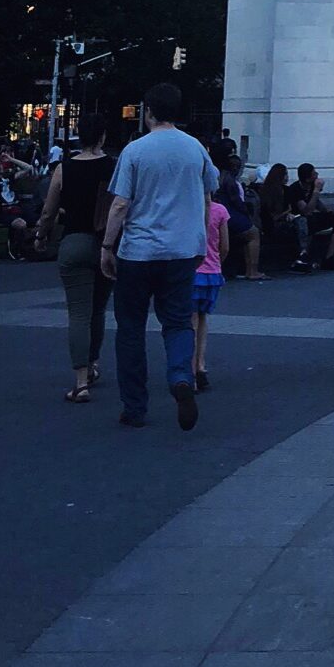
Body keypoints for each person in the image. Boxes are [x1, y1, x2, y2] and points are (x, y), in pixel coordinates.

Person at [100, 83, 217, 432]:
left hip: (138, 252)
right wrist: (200, 242)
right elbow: (207, 197)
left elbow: (120, 204)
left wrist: (107, 246)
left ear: (148, 111)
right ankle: (181, 377)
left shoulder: (135, 150)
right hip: (181, 251)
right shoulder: (195, 149)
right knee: (178, 322)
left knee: (130, 327)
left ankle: (134, 406)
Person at [36, 113, 117, 404]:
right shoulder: (113, 168)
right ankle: (93, 363)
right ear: (103, 136)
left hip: (73, 242)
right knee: (98, 309)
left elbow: (49, 211)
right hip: (105, 243)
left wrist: (41, 236)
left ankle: (81, 381)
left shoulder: (64, 169)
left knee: (78, 313)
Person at [192, 192, 229, 391]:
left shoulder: (187, 208)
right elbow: (225, 247)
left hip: (191, 272)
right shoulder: (220, 211)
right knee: (202, 318)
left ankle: (190, 370)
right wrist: (217, 262)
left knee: (189, 322)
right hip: (212, 272)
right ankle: (201, 364)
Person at [289, 163, 334, 270]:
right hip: (299, 219)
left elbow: (317, 204)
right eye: (314, 174)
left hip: (311, 217)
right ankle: (304, 256)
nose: (317, 175)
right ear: (307, 179)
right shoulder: (295, 189)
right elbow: (307, 211)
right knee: (309, 222)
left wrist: (327, 211)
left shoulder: (311, 186)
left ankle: (329, 257)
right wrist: (316, 190)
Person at [216, 158, 265, 279]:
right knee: (253, 233)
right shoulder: (230, 180)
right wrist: (246, 213)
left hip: (220, 213)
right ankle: (252, 270)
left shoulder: (220, 176)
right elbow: (236, 201)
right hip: (229, 214)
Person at [257, 162, 301, 268]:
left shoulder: (286, 190)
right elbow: (270, 216)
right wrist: (286, 212)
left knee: (301, 222)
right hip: (271, 224)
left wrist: (289, 213)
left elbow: (290, 208)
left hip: (283, 219)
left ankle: (302, 253)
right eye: (285, 174)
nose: (287, 177)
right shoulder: (267, 192)